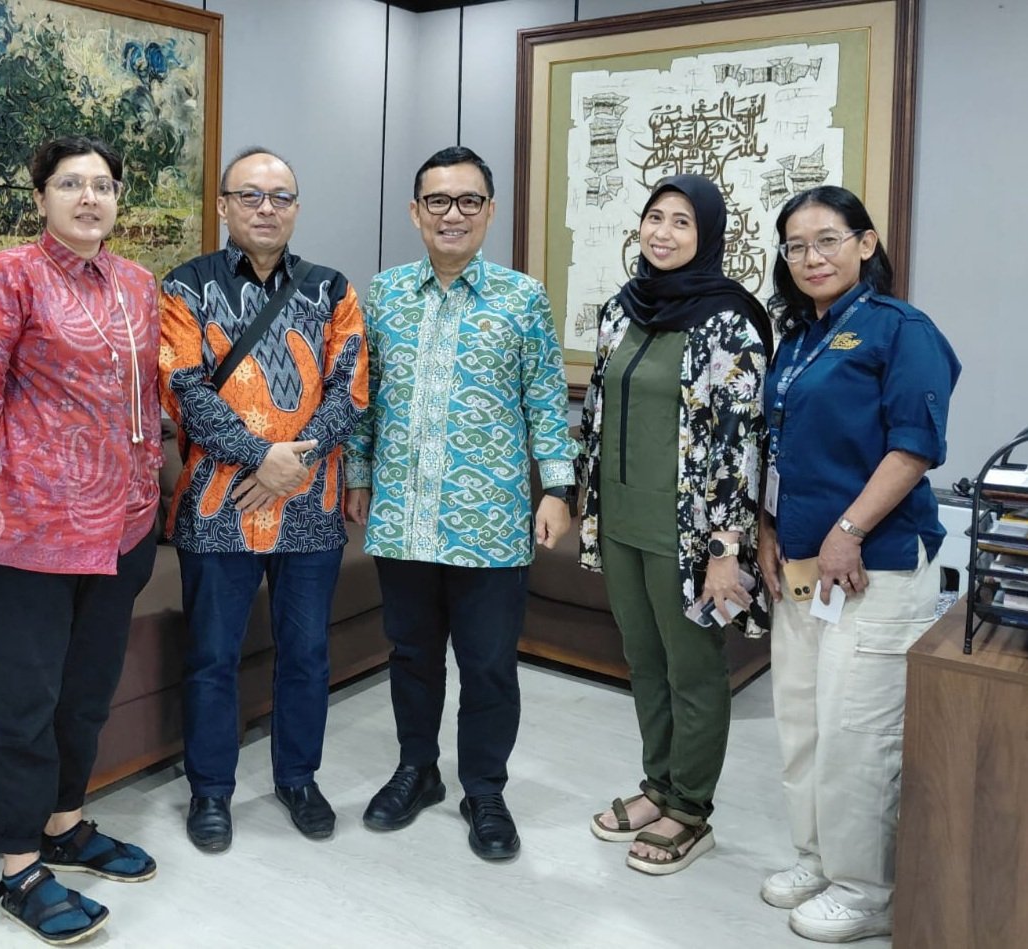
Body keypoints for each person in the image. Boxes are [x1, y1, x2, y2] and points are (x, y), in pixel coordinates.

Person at [0, 135, 162, 946]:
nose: (90, 197)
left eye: (103, 184)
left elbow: (148, 396)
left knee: (86, 693)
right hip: (33, 528)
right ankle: (19, 865)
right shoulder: (7, 275)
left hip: (125, 526)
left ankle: (64, 824)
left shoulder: (138, 284)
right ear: (41, 198)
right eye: (71, 184)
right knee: (25, 704)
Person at [344, 145, 577, 862]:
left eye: (468, 201)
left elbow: (546, 400)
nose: (453, 214)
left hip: (490, 520)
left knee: (488, 665)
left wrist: (558, 489)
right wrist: (357, 472)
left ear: (490, 211)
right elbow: (364, 398)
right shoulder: (383, 294)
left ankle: (484, 789)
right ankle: (417, 770)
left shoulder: (521, 297)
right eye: (438, 201)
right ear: (415, 212)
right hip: (403, 516)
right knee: (411, 655)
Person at [756, 185, 960, 942]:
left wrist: (849, 529)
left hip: (876, 567)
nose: (811, 257)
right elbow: (781, 448)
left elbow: (914, 446)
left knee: (857, 734)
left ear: (865, 244)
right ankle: (817, 857)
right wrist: (768, 529)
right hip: (802, 568)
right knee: (802, 723)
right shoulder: (798, 338)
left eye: (827, 240)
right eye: (795, 246)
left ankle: (865, 887)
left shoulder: (901, 329)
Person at [159, 146, 368, 854]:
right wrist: (260, 458)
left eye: (280, 196)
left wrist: (292, 464)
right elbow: (182, 388)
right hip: (217, 507)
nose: (265, 208)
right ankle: (210, 790)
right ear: (224, 206)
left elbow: (351, 388)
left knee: (306, 654)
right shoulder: (186, 286)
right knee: (211, 657)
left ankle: (298, 779)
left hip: (310, 506)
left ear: (296, 209)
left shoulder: (331, 288)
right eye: (249, 195)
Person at [577, 174, 771, 876]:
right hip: (621, 520)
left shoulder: (729, 320)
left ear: (707, 234)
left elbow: (742, 444)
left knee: (693, 669)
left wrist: (726, 548)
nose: (662, 232)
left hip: (688, 533)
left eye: (681, 221)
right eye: (654, 217)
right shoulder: (623, 310)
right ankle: (658, 784)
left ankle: (690, 808)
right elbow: (596, 413)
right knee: (644, 659)